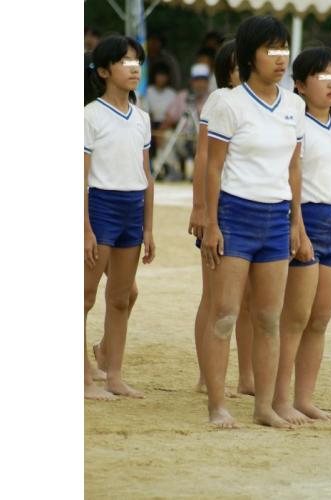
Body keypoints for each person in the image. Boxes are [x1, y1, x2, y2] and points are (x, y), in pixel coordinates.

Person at [201, 15, 305, 428]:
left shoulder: (295, 105)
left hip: (277, 217)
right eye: (270, 50)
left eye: (284, 49)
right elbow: (212, 167)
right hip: (235, 215)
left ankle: (264, 407)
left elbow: (294, 168)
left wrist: (296, 223)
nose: (280, 58)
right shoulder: (229, 103)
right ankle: (217, 406)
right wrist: (211, 223)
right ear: (249, 56)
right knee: (225, 314)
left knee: (268, 318)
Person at [273, 47, 331, 425]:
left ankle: (304, 399)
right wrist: (297, 227)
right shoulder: (295, 125)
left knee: (319, 321)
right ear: (299, 85)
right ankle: (280, 399)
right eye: (322, 76)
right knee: (294, 319)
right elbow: (290, 179)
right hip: (307, 221)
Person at [84, 36, 155, 400]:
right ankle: (82, 378)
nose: (134, 68)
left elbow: (147, 175)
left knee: (121, 298)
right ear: (103, 71)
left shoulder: (142, 118)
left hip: (132, 210)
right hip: (100, 207)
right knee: (84, 297)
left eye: (137, 61)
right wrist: (85, 229)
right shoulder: (89, 116)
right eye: (125, 61)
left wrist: (149, 227)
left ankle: (114, 375)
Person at [188, 40, 254, 397]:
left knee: (248, 302)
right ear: (226, 72)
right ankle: (206, 376)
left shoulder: (257, 103)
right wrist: (200, 206)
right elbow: (204, 155)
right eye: (238, 66)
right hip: (222, 206)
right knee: (215, 298)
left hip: (250, 206)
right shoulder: (220, 99)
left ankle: (247, 378)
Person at [142, 62, 177, 159]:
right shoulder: (148, 91)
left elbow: (173, 117)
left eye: (163, 76)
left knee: (168, 137)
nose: (161, 78)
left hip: (167, 126)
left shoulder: (172, 94)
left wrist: (162, 129)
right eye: (159, 75)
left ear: (167, 78)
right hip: (151, 125)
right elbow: (146, 112)